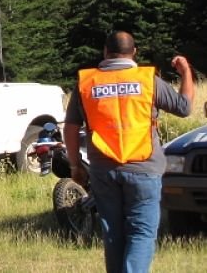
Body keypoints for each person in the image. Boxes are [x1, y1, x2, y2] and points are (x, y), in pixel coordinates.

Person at [64, 31, 193, 273]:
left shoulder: (86, 83)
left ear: (105, 52)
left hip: (104, 170)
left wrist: (74, 165)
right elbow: (184, 108)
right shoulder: (148, 80)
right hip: (144, 167)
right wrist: (186, 72)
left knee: (112, 231)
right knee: (142, 233)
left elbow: (71, 128)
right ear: (134, 52)